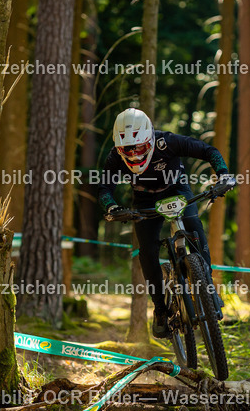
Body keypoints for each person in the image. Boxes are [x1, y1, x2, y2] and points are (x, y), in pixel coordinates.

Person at [97, 107, 235, 338]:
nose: (133, 155)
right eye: (126, 150)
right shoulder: (114, 157)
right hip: (144, 200)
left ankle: (208, 288)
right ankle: (160, 309)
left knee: (195, 230)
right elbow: (104, 188)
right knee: (147, 252)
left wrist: (223, 174)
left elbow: (208, 150)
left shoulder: (166, 142)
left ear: (150, 140)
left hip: (177, 190)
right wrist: (113, 208)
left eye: (139, 147)